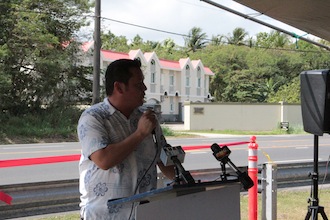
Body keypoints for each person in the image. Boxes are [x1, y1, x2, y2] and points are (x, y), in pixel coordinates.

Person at [77, 59, 175, 220]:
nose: (145, 88)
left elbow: (165, 160)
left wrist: (182, 176)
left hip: (144, 213)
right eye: (138, 84)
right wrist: (140, 134)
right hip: (103, 215)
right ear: (119, 87)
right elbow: (104, 160)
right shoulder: (94, 117)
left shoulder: (147, 118)